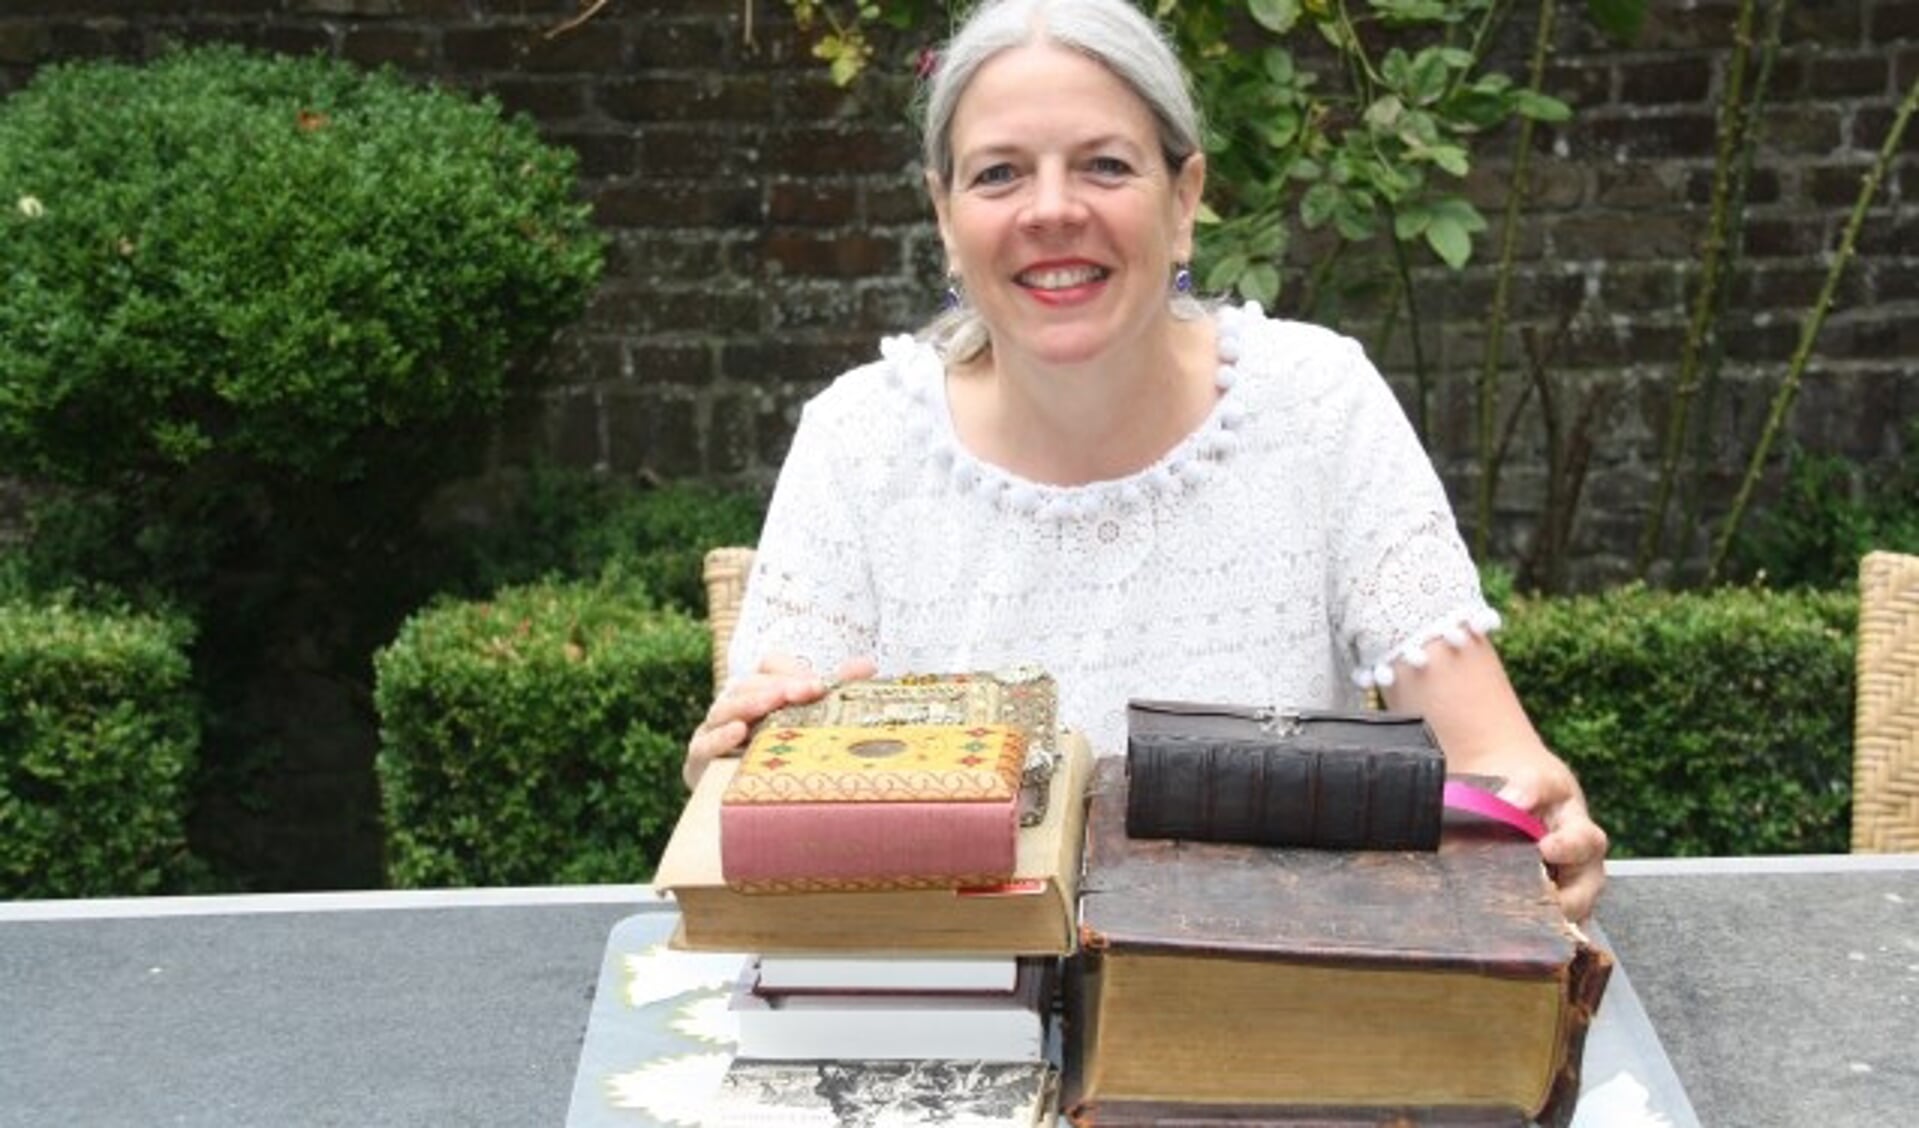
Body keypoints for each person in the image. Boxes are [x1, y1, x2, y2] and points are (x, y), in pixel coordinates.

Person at [684, 0, 1607, 921]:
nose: (1052, 210)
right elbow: (761, 796)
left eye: (1105, 165)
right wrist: (730, 774)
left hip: (1262, 993)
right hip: (940, 1000)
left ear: (1185, 199)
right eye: (1001, 173)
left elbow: (1496, 764)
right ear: (944, 215)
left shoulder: (1317, 403)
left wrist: (1542, 816)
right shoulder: (857, 444)